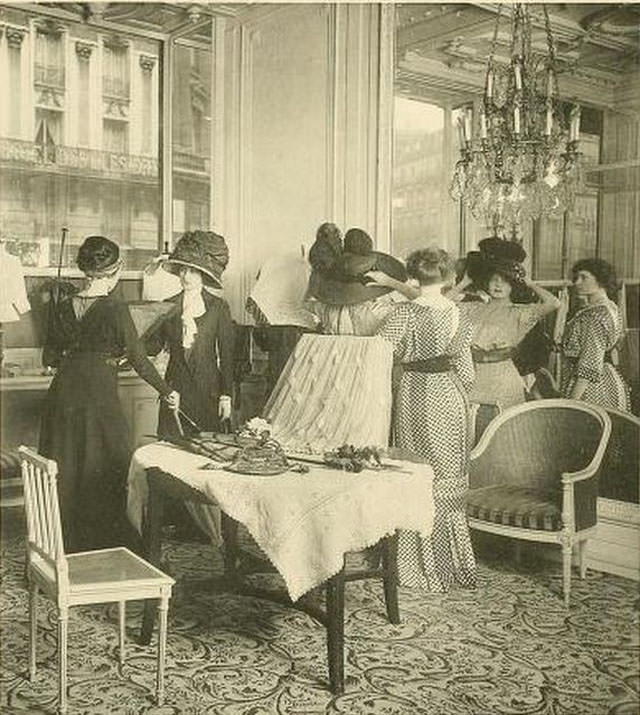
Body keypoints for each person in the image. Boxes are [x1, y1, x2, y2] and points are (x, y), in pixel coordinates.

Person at [39, 235, 179, 552]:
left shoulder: (62, 307)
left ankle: (63, 549)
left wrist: (85, 353)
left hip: (62, 397)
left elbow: (50, 359)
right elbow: (140, 359)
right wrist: (167, 390)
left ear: (84, 271)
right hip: (97, 397)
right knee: (112, 463)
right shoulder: (116, 310)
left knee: (66, 471)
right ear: (116, 272)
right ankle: (105, 550)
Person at [374, 246, 477, 591]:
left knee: (416, 471)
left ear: (414, 276)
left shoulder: (406, 312)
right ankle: (451, 566)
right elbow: (466, 372)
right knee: (446, 474)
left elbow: (379, 351)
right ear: (448, 278)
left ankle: (415, 567)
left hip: (417, 395)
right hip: (452, 397)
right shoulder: (459, 313)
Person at [146, 230, 234, 439]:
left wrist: (226, 396)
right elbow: (153, 347)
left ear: (204, 273)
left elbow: (227, 355)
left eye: (192, 271)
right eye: (183, 270)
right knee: (171, 452)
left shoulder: (218, 307)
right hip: (175, 393)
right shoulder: (167, 306)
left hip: (208, 393)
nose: (185, 276)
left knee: (205, 454)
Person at [560, 258, 630, 410]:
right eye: (576, 278)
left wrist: (570, 404)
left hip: (590, 387)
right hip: (607, 378)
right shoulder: (611, 307)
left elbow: (589, 363)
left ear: (601, 280)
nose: (577, 282)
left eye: (584, 277)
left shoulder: (593, 316)